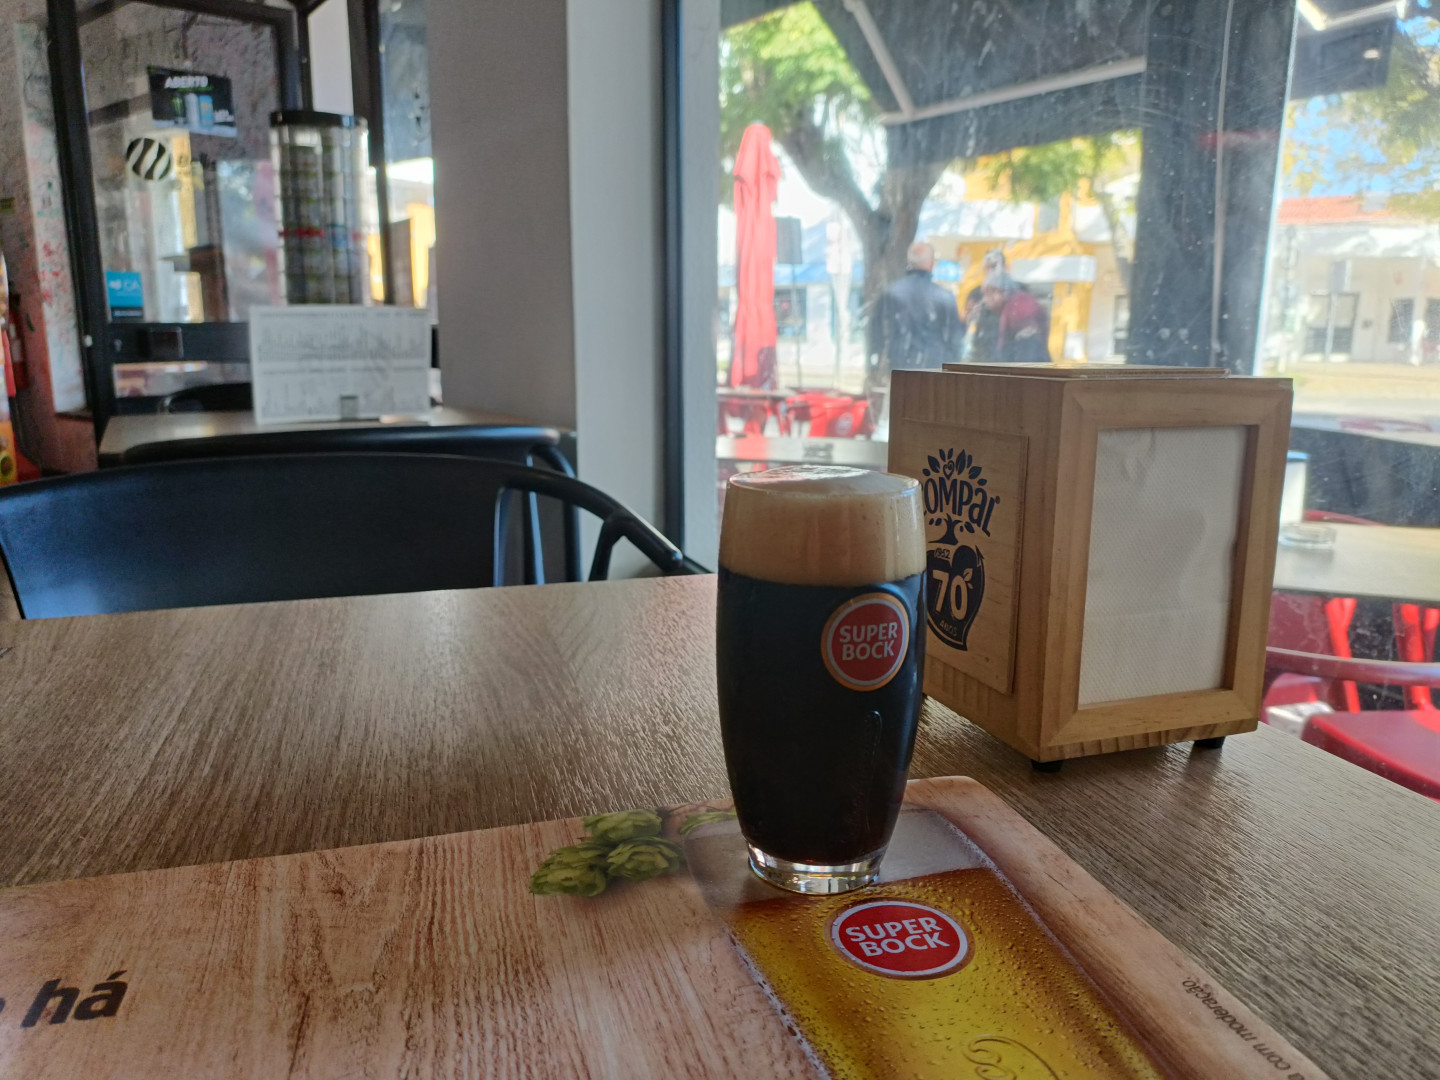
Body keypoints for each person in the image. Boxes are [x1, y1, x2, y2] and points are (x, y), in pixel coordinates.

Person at [869, 242, 964, 381]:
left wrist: (874, 368)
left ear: (909, 262)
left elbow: (876, 335)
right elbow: (955, 341)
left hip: (900, 370)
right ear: (932, 264)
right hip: (935, 372)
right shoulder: (945, 297)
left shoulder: (891, 294)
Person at [982, 271, 1051, 363]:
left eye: (988, 294)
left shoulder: (1020, 306)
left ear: (1000, 291)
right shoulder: (1011, 307)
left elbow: (1029, 348)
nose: (985, 300)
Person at [965, 250, 1008, 363]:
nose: (990, 272)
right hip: (981, 355)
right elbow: (967, 324)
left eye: (993, 267)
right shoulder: (976, 294)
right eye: (987, 268)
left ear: (1004, 268)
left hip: (1008, 357)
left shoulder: (1016, 293)